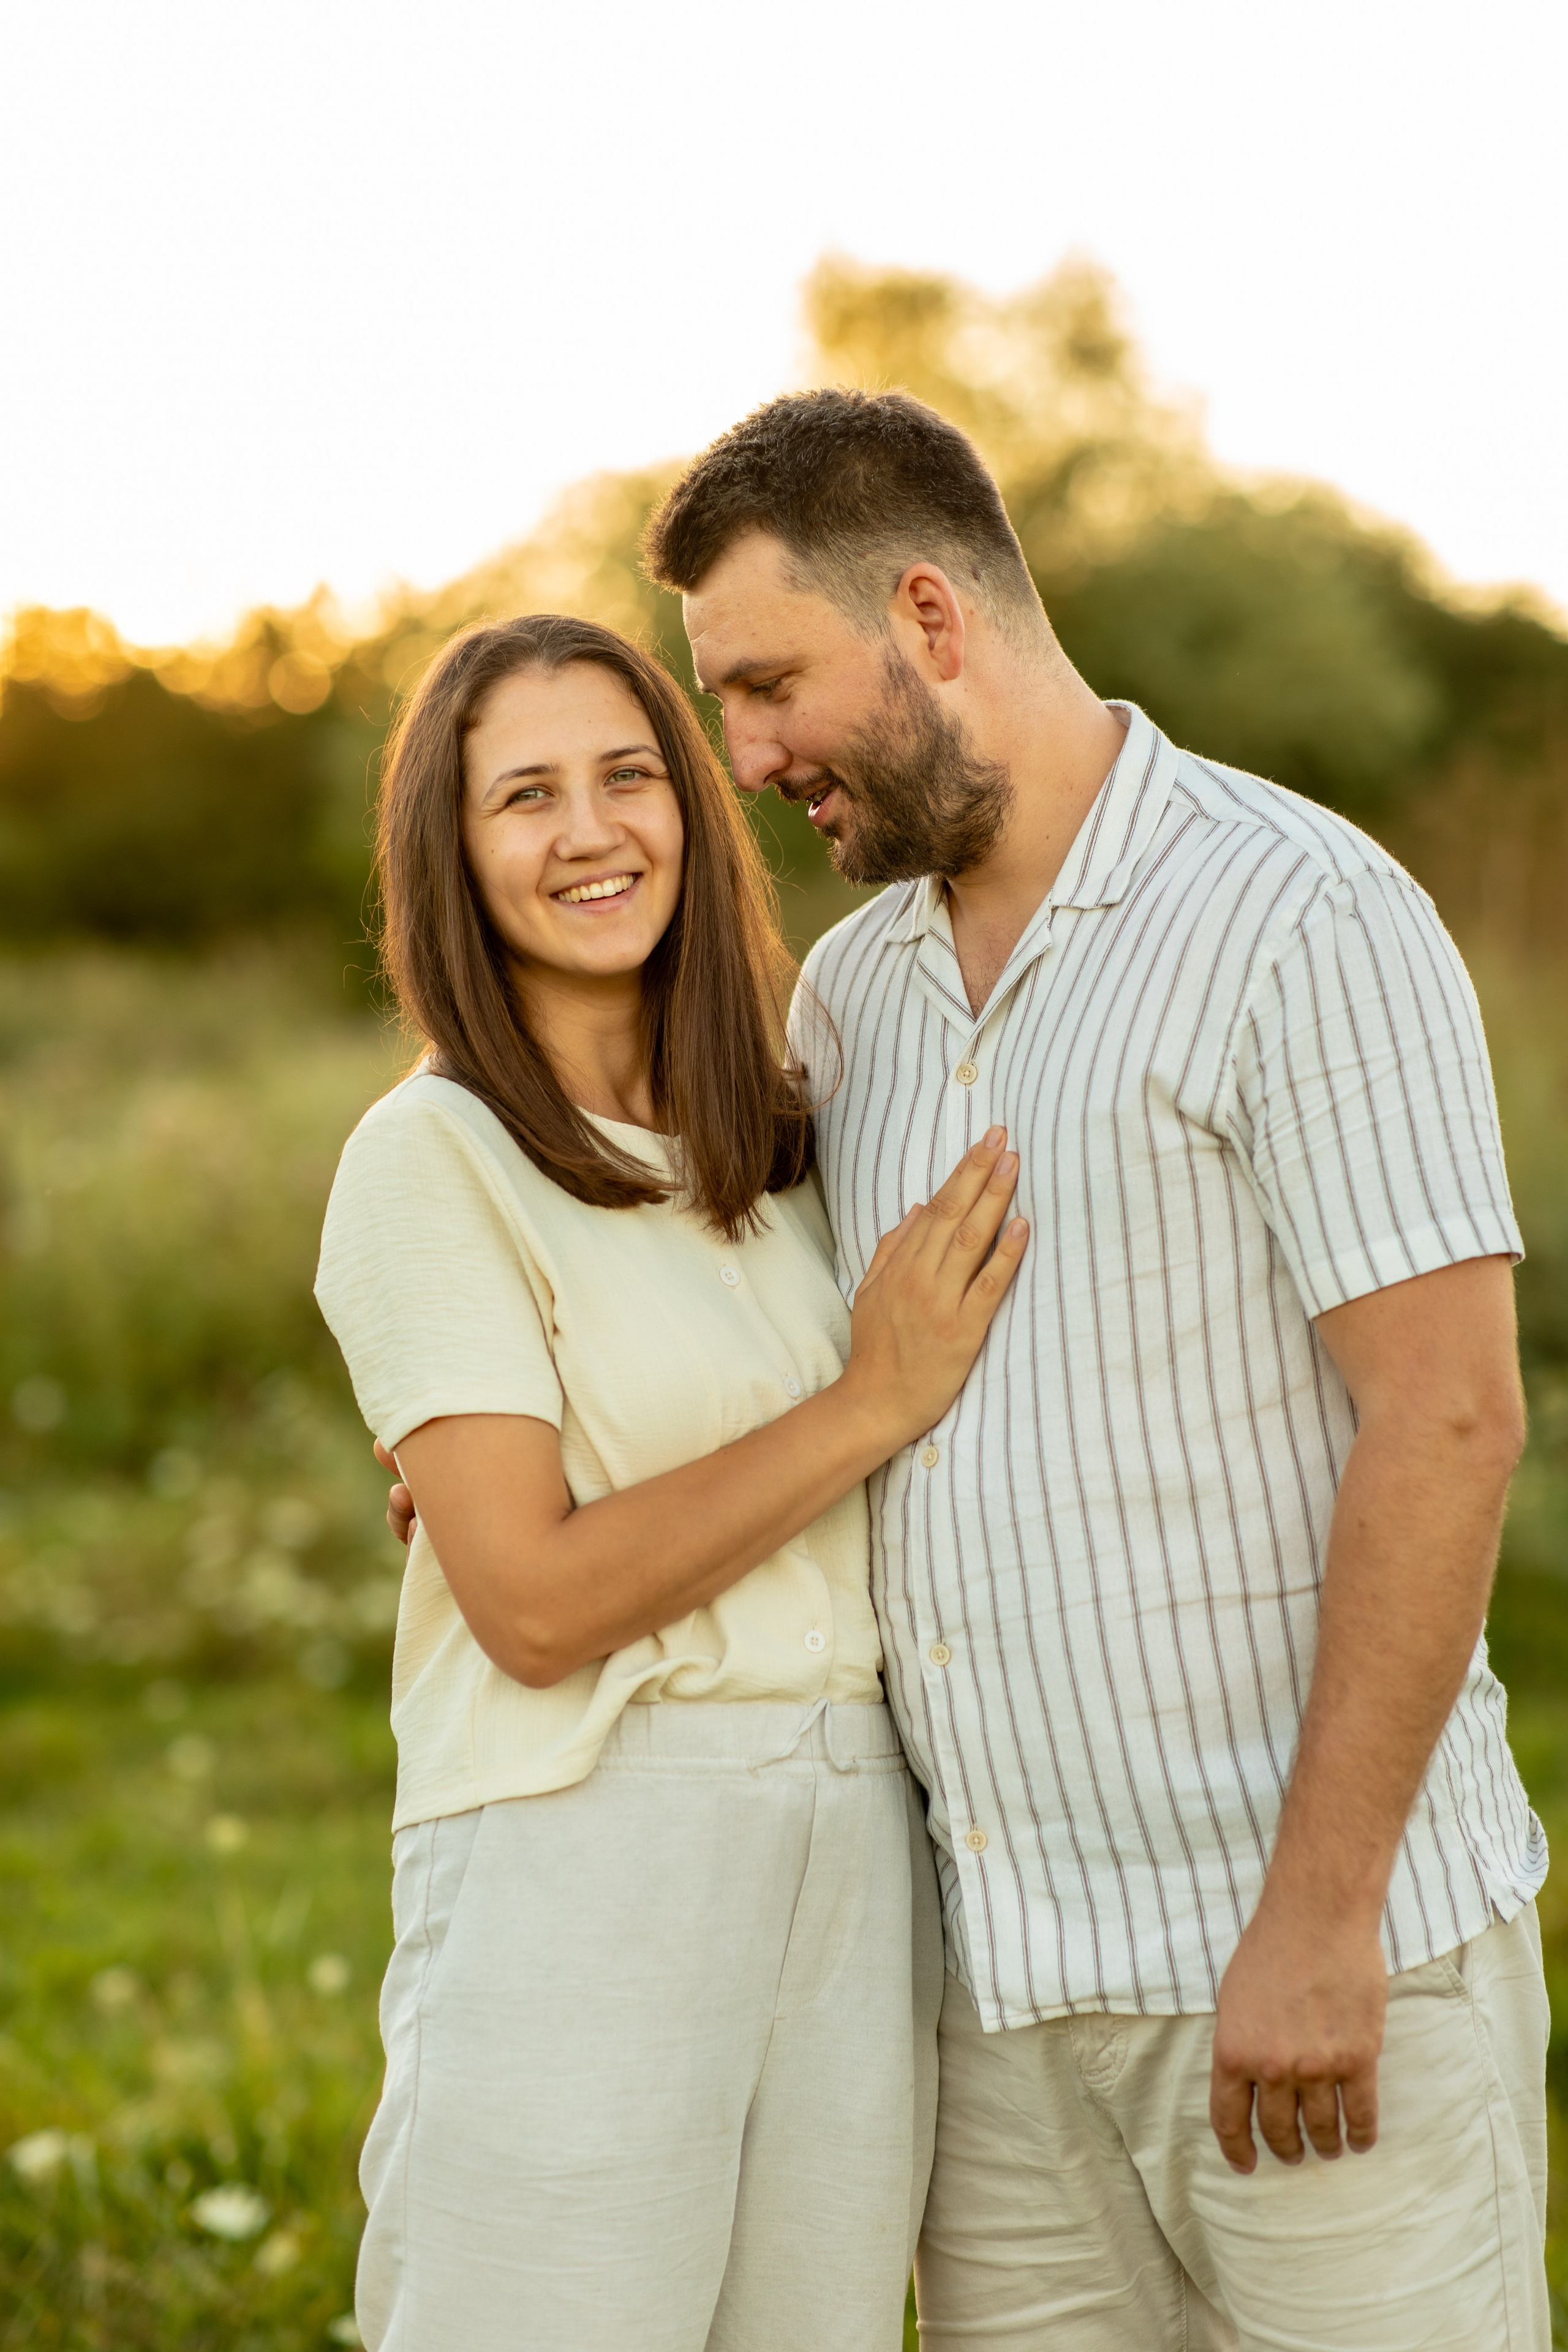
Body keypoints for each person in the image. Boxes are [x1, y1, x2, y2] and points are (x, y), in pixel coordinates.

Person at [634, 388, 1547, 2350]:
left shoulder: (1301, 914)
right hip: (991, 2010)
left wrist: (1318, 1925)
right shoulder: (856, 991)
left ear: (934, 618)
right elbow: (775, 1340)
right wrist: (507, 1446)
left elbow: (1453, 1416)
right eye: (726, 702)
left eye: (773, 682)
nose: (752, 754)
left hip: (1308, 1979)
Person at [314, 611, 1027, 2352]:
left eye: (632, 775)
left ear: (696, 811)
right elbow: (538, 1604)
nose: (591, 832)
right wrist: (869, 1402)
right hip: (586, 1843)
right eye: (526, 797)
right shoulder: (434, 1160)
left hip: (855, 1844)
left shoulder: (789, 1131)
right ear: (451, 852)